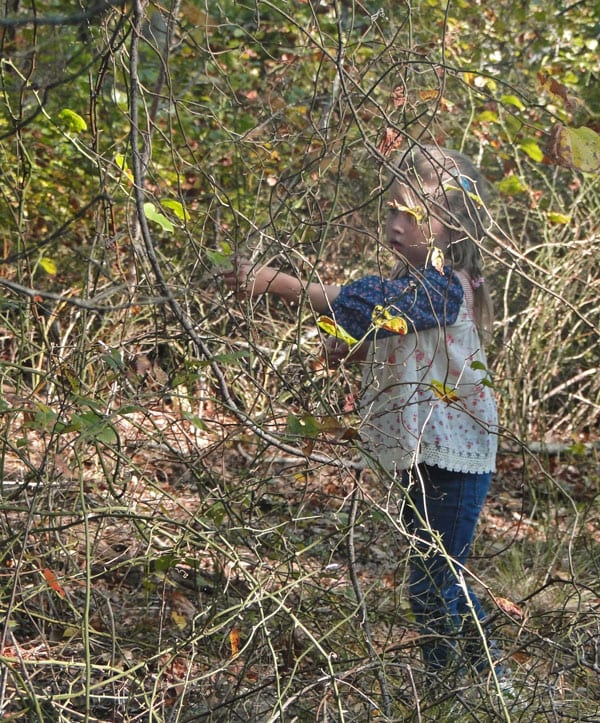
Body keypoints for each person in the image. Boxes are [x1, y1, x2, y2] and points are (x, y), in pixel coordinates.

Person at [223, 144, 504, 682]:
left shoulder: (445, 285)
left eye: (412, 216)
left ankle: (462, 683)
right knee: (437, 569)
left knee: (432, 579)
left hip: (457, 453)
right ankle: (477, 676)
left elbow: (385, 307)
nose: (396, 225)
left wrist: (284, 286)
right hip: (426, 449)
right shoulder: (414, 285)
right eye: (392, 211)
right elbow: (393, 324)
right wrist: (352, 349)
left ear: (451, 229)